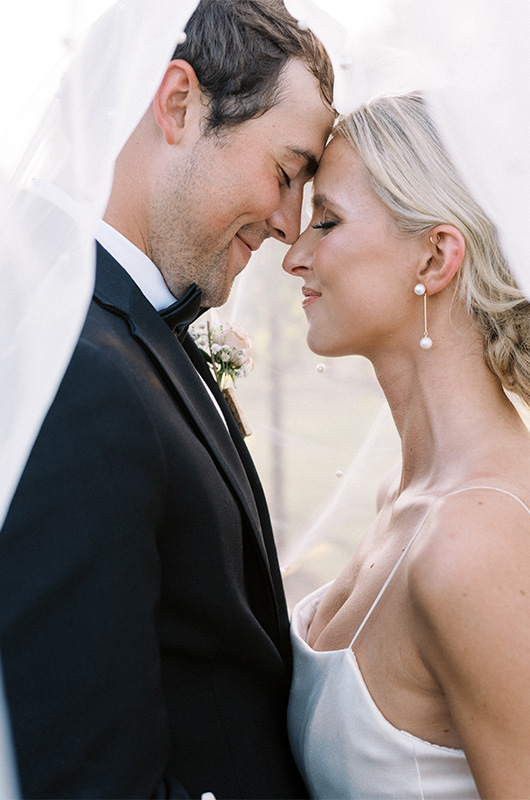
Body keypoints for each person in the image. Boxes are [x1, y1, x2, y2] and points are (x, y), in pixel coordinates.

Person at [0, 0, 334, 797]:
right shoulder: (81, 372)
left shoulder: (115, 330)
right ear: (179, 104)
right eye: (285, 173)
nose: (291, 224)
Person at [283, 91, 530, 799]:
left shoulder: (474, 541)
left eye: (325, 222)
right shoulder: (403, 494)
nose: (293, 257)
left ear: (434, 258)